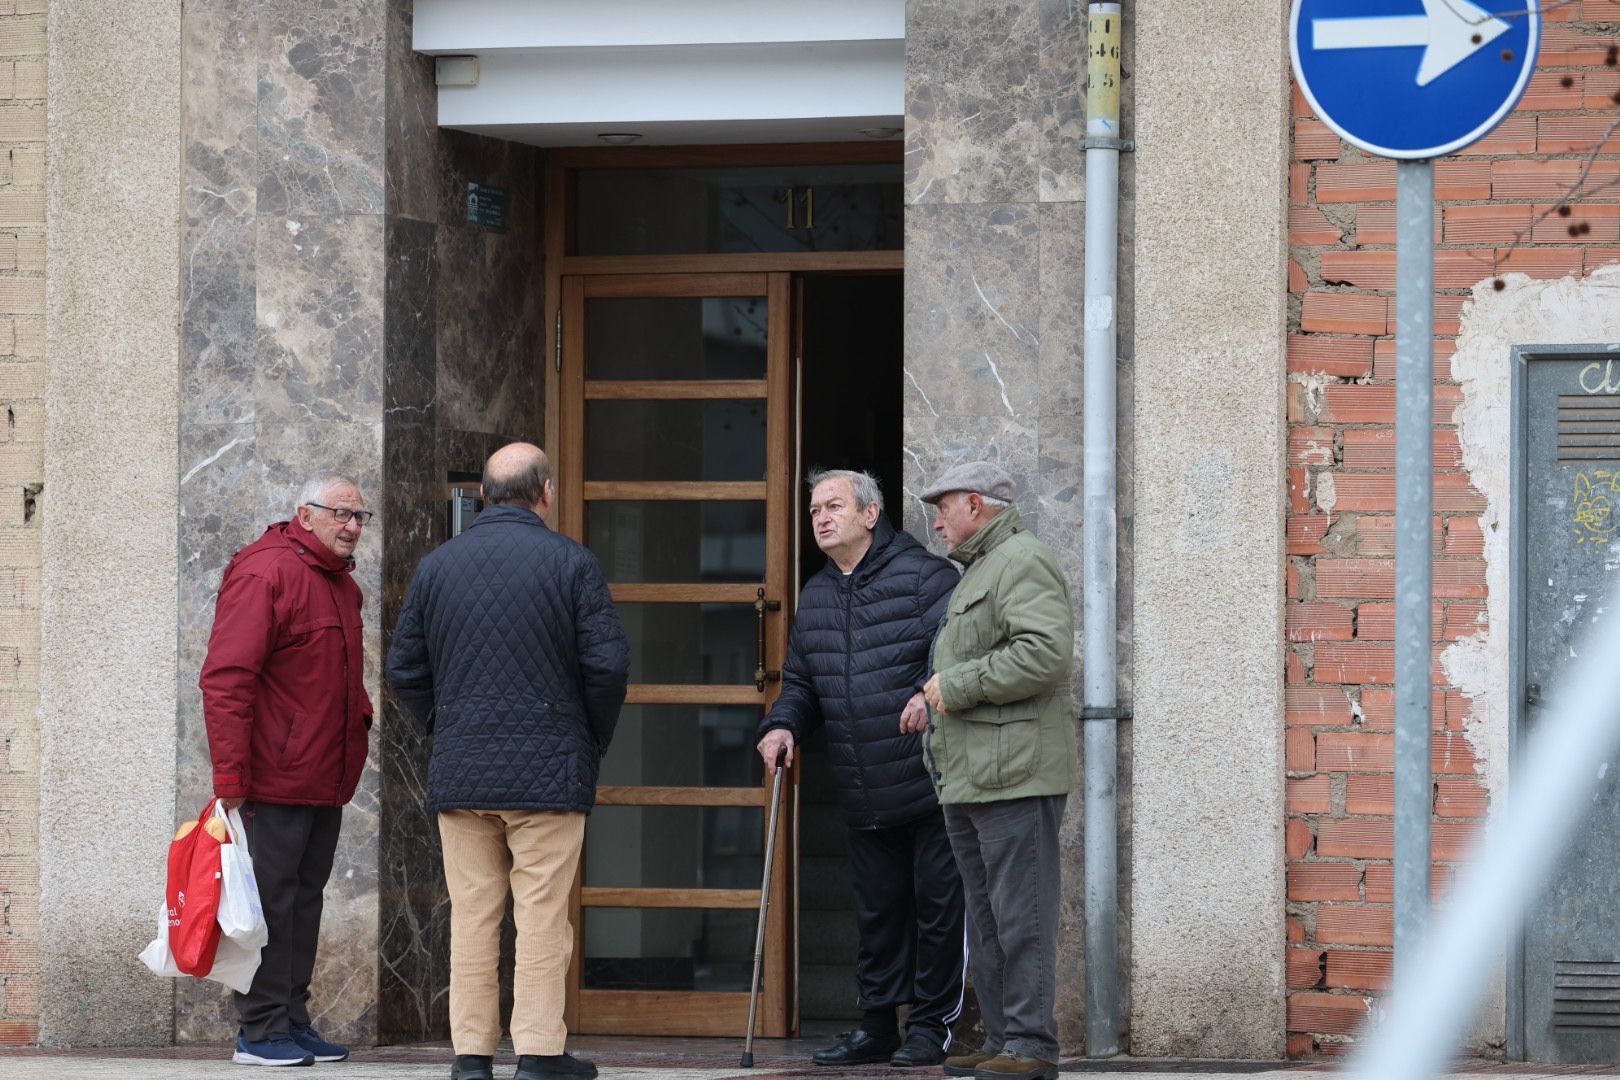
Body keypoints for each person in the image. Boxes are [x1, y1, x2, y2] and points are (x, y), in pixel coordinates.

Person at [385, 443, 629, 1080]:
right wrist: (587, 737)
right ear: (544, 491)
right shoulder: (572, 562)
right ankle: (540, 1056)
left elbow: (403, 668)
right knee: (543, 917)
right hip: (549, 776)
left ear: (486, 494)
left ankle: (471, 1059)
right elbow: (608, 667)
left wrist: (448, 723)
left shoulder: (438, 566)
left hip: (462, 772)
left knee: (472, 917)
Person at [756, 468, 966, 1068]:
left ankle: (931, 1027)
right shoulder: (817, 594)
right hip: (863, 789)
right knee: (876, 917)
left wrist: (932, 695)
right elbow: (801, 682)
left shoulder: (926, 579)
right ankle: (877, 1026)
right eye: (815, 509)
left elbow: (955, 660)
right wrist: (782, 724)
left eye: (834, 506)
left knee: (938, 913)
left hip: (928, 784)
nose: (821, 517)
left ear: (870, 515)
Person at [200, 474, 375, 1067]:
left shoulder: (338, 584)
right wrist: (230, 780)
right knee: (270, 903)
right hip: (271, 780)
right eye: (341, 514)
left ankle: (292, 1020)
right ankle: (258, 1031)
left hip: (323, 777)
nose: (352, 526)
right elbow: (226, 680)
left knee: (303, 902)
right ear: (305, 514)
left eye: (359, 517)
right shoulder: (264, 572)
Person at [909, 462, 1075, 1080]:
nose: (936, 520)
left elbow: (1044, 654)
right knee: (987, 919)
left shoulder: (1021, 559)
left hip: (1017, 775)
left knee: (1021, 915)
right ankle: (1007, 1040)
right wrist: (930, 696)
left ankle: (1032, 1048)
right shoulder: (981, 568)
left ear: (976, 505)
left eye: (943, 507)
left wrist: (956, 685)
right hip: (974, 774)